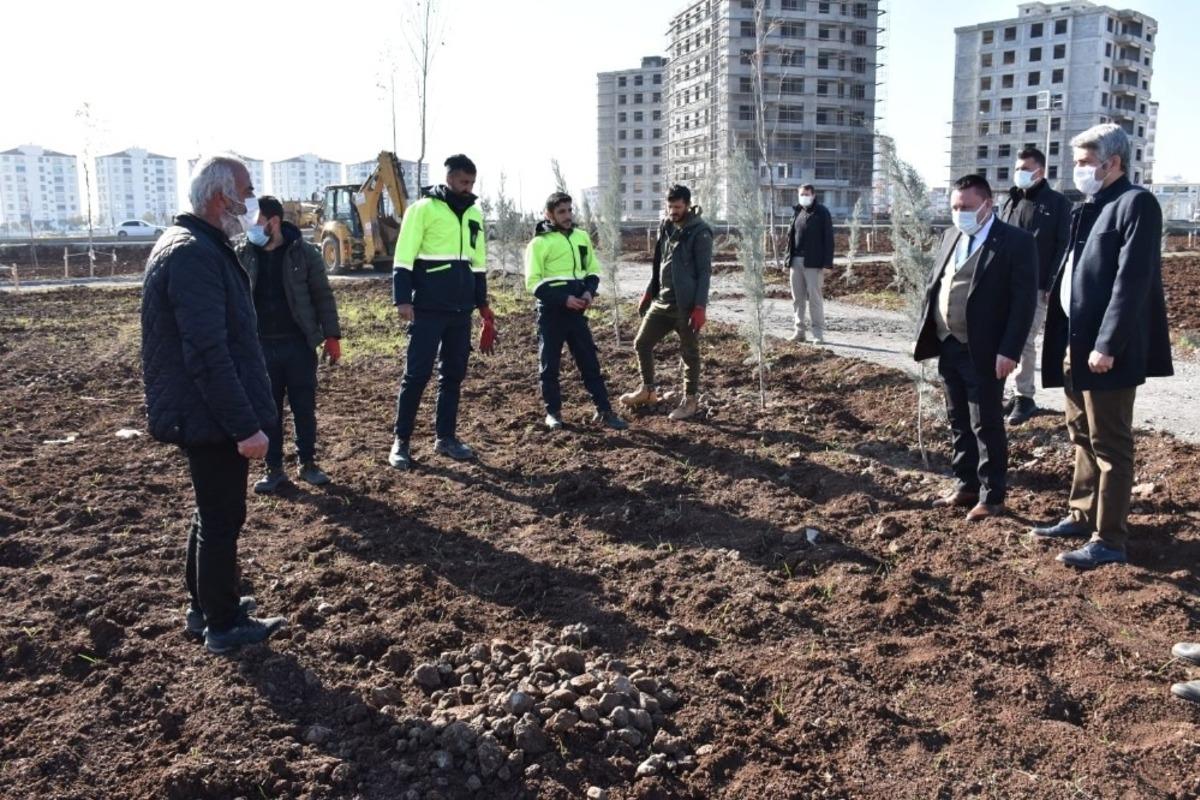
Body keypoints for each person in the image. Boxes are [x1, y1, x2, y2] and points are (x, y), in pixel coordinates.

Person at [141, 155, 286, 654]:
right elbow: (207, 350)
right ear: (221, 197)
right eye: (245, 192)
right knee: (223, 519)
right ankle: (222, 626)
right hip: (210, 412)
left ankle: (204, 608)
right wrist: (245, 426)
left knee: (211, 514)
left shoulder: (195, 245)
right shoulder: (193, 254)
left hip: (202, 409)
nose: (250, 203)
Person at [1032, 123, 1173, 569]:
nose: (1078, 171)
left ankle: (1109, 539)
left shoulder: (1136, 205)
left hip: (1107, 351)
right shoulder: (1089, 207)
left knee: (1110, 443)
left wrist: (1107, 344)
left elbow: (1132, 282)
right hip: (1077, 344)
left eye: (1085, 162)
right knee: (1081, 435)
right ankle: (1081, 513)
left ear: (1113, 163)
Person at [913, 174, 1037, 522]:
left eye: (965, 207)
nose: (959, 213)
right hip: (949, 344)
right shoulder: (951, 235)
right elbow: (936, 284)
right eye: (954, 207)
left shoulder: (1015, 242)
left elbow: (1023, 303)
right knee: (959, 420)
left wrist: (1010, 349)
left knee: (986, 422)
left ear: (987, 205)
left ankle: (992, 495)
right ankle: (966, 484)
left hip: (986, 349)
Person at [389, 154, 496, 469]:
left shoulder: (474, 213)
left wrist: (482, 304)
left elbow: (478, 263)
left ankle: (445, 438)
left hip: (461, 310)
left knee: (453, 375)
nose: (468, 188)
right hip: (427, 308)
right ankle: (401, 442)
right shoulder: (422, 209)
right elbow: (404, 256)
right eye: (464, 182)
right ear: (449, 178)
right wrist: (402, 299)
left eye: (472, 183)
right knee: (416, 375)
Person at [234, 195, 341, 493]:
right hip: (260, 348)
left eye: (255, 222)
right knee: (269, 411)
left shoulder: (305, 254)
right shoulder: (242, 254)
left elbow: (322, 296)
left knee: (303, 407)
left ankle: (308, 463)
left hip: (298, 345)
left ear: (274, 222)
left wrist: (331, 336)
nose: (250, 229)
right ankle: (274, 469)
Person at [524, 191, 627, 431]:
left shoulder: (581, 237)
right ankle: (553, 413)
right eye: (561, 211)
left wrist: (589, 292)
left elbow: (591, 269)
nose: (568, 215)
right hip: (551, 314)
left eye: (570, 210)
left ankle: (604, 410)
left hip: (577, 313)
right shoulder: (539, 243)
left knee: (590, 362)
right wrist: (564, 299)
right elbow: (533, 283)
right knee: (549, 365)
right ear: (548, 215)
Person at [620, 184, 713, 421]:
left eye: (678, 207)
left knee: (689, 353)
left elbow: (704, 272)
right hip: (662, 301)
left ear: (688, 205)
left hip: (686, 305)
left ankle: (690, 401)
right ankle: (648, 390)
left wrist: (700, 306)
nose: (673, 211)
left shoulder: (700, 231)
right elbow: (658, 261)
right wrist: (650, 292)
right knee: (641, 342)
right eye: (670, 206)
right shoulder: (667, 225)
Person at [999, 146, 1073, 424]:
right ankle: (1012, 394)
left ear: (1040, 172)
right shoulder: (1011, 201)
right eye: (1017, 168)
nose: (1019, 174)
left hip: (1037, 286)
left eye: (1025, 169)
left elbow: (1063, 246)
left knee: (1025, 341)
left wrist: (1051, 282)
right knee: (1005, 338)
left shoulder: (1057, 204)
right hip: (1006, 284)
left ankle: (1025, 397)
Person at [783, 184, 834, 344]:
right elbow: (790, 238)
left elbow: (829, 239)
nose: (804, 197)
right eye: (801, 194)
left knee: (814, 298)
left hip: (813, 263)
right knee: (797, 299)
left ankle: (818, 334)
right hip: (796, 261)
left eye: (806, 194)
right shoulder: (797, 211)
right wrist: (787, 261)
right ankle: (799, 331)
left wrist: (827, 263)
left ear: (813, 195)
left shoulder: (822, 213)